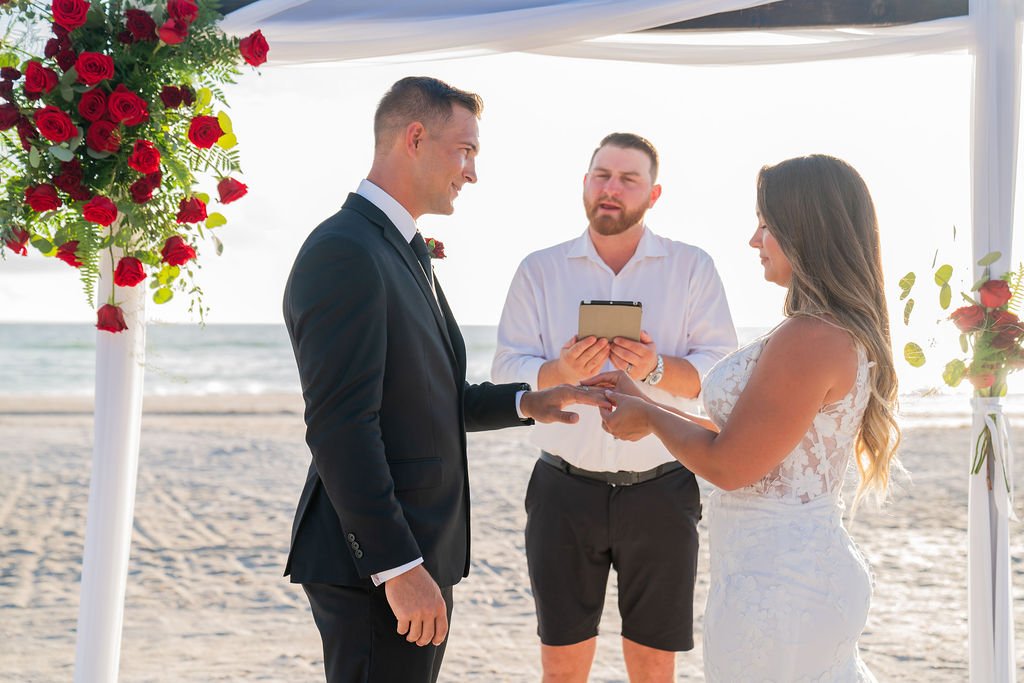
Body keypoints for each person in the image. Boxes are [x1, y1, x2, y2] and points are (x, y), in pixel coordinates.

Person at [281, 76, 608, 683]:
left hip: (418, 552)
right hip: (377, 566)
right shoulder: (345, 252)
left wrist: (528, 401)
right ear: (414, 137)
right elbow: (340, 427)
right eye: (466, 151)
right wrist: (397, 566)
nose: (472, 172)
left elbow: (426, 399)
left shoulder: (398, 247)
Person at [587, 154, 901, 682]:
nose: (754, 241)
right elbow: (756, 446)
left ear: (807, 231)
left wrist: (653, 419)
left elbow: (732, 467)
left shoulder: (810, 337)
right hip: (786, 569)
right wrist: (650, 410)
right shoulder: (826, 330)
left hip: (780, 584)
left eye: (765, 225)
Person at [492, 132, 737, 682]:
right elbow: (504, 371)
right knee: (561, 665)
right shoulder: (540, 269)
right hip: (561, 489)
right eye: (602, 175)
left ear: (653, 195)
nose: (612, 189)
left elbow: (719, 376)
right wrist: (561, 373)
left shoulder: (691, 267)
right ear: (585, 184)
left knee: (653, 668)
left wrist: (653, 367)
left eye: (628, 179)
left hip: (662, 488)